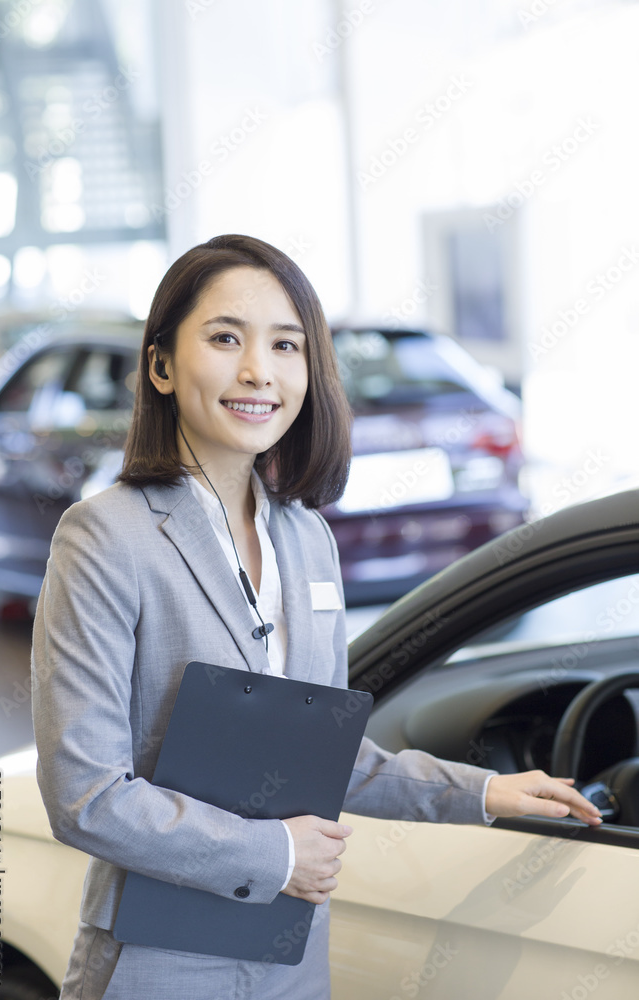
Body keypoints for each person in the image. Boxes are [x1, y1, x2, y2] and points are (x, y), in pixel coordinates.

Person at [31, 234, 601, 1000]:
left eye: (285, 345)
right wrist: (275, 855)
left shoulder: (305, 537)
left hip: (290, 956)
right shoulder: (106, 535)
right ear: (161, 366)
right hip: (156, 960)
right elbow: (86, 797)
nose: (259, 371)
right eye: (225, 338)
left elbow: (320, 755)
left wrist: (479, 792)